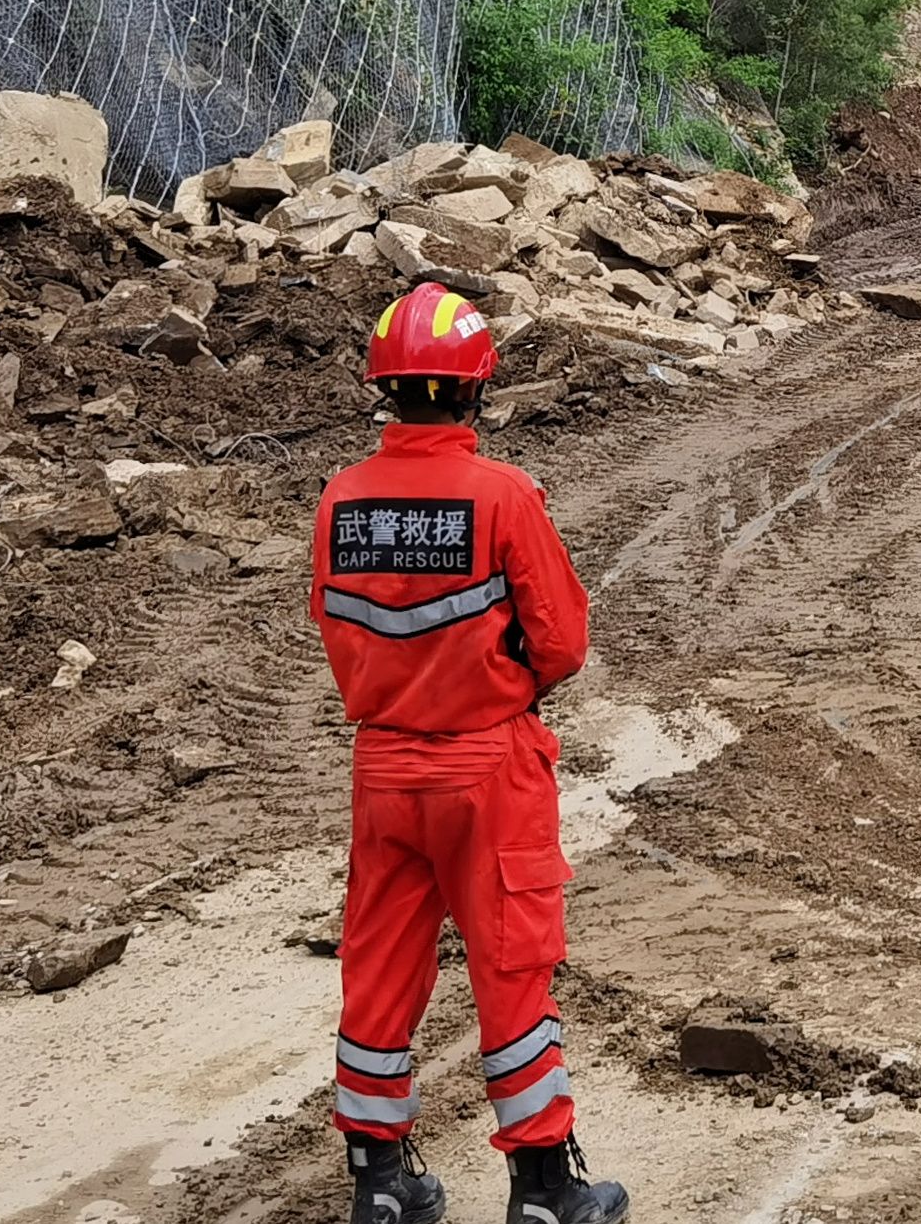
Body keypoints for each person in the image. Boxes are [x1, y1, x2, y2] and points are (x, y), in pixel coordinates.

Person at [313, 284, 630, 1224]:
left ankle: (380, 1186)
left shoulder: (341, 499)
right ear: (475, 391)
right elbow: (563, 641)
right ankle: (543, 1191)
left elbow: (336, 628)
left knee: (377, 968)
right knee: (511, 970)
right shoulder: (502, 495)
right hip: (487, 770)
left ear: (386, 390)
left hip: (383, 770)